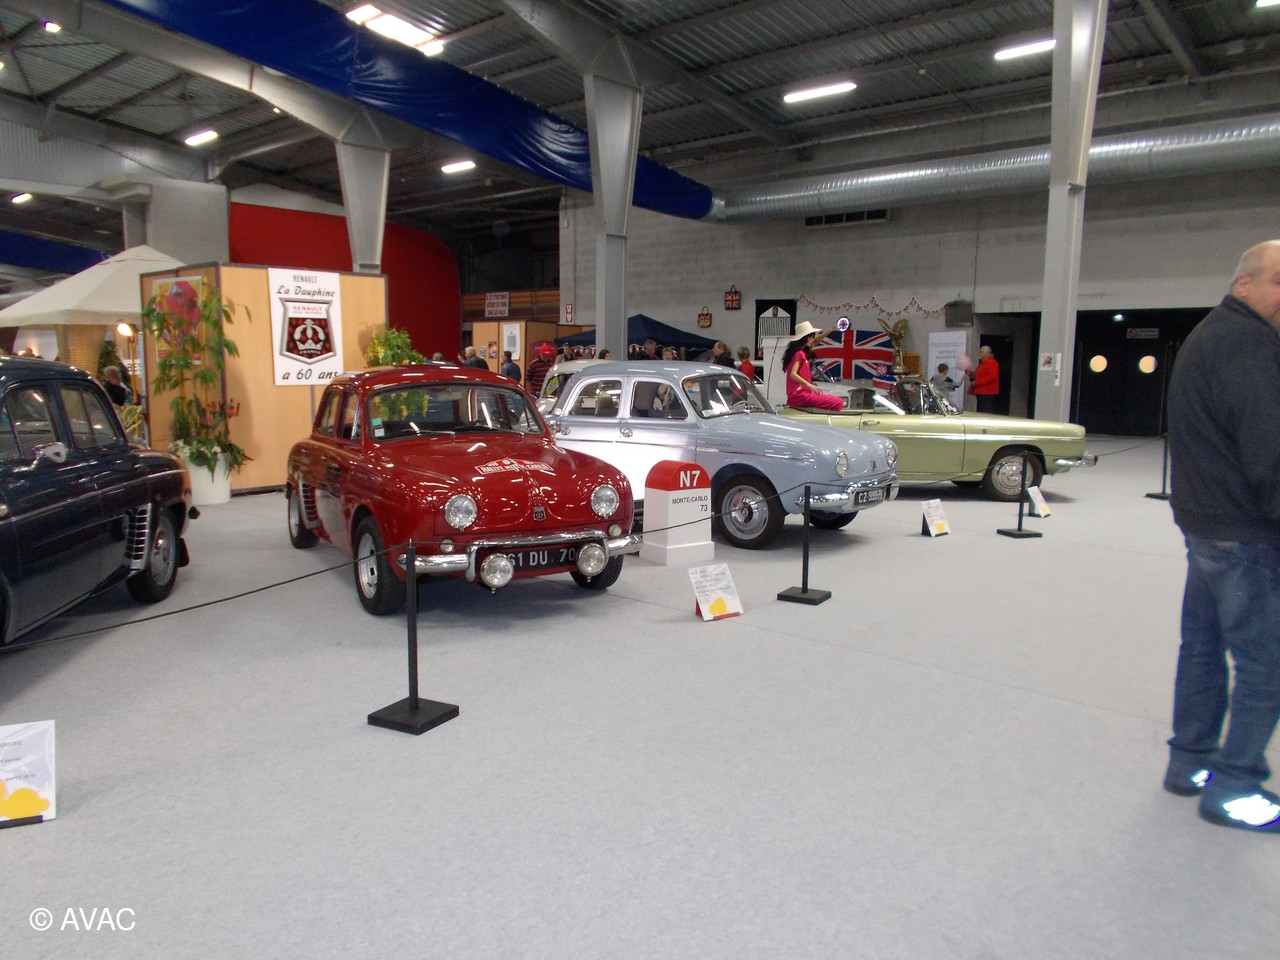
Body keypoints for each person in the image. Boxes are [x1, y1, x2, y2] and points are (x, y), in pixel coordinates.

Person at [1164, 239, 1280, 834]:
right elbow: (1270, 452)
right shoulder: (1251, 347)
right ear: (1244, 284)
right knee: (1265, 664)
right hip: (1244, 531)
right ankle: (1235, 788)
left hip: (1207, 524)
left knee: (1205, 647)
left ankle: (1191, 764)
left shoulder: (1210, 335)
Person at [781, 321, 843, 411]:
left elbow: (816, 341)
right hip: (800, 395)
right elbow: (793, 374)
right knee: (838, 402)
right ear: (804, 338)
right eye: (810, 337)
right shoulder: (799, 354)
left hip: (800, 395)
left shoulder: (799, 352)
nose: (812, 339)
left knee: (834, 401)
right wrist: (809, 385)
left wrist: (829, 330)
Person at [967, 345, 999, 413]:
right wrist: (970, 374)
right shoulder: (983, 364)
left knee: (984, 411)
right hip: (981, 391)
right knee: (980, 411)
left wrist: (976, 382)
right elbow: (977, 376)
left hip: (986, 392)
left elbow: (992, 376)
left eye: (981, 352)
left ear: (987, 353)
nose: (979, 353)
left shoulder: (991, 363)